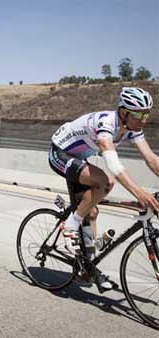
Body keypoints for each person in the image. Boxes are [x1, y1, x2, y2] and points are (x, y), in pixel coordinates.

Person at [49, 86, 159, 290]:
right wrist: (139, 193)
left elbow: (152, 159)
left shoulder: (133, 129)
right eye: (138, 114)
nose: (143, 119)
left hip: (79, 159)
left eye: (146, 114)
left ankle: (88, 268)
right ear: (124, 112)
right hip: (60, 154)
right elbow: (113, 164)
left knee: (92, 212)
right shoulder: (106, 122)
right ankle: (70, 225)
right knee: (106, 182)